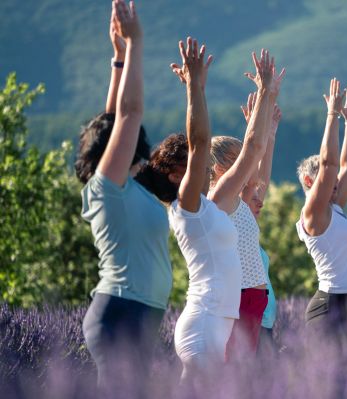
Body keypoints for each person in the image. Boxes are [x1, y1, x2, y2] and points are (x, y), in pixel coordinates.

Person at [78, 1, 169, 392]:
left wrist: (118, 59)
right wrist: (136, 44)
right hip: (122, 314)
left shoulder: (123, 187)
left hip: (138, 316)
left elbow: (116, 117)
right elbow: (129, 114)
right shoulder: (107, 188)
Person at [163, 36, 243, 389]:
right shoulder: (188, 208)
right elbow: (199, 143)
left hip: (214, 323)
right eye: (192, 166)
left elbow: (250, 154)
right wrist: (194, 87)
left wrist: (267, 98)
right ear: (175, 175)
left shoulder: (206, 208)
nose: (205, 168)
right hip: (203, 324)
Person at [206, 53, 283, 359]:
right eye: (237, 162)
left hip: (252, 300)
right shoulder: (220, 200)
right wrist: (265, 95)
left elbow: (260, 174)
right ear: (220, 169)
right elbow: (254, 150)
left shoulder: (240, 199)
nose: (245, 166)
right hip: (235, 301)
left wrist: (268, 126)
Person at [296, 79, 347, 330]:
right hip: (330, 308)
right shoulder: (314, 214)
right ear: (309, 180)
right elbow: (330, 165)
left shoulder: (334, 208)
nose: (335, 181)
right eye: (328, 179)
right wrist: (332, 115)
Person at [238, 92, 282, 354]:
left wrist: (271, 133)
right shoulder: (236, 220)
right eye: (253, 197)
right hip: (247, 325)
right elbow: (254, 180)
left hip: (264, 326)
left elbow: (260, 181)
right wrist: (255, 130)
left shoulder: (249, 230)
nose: (261, 201)